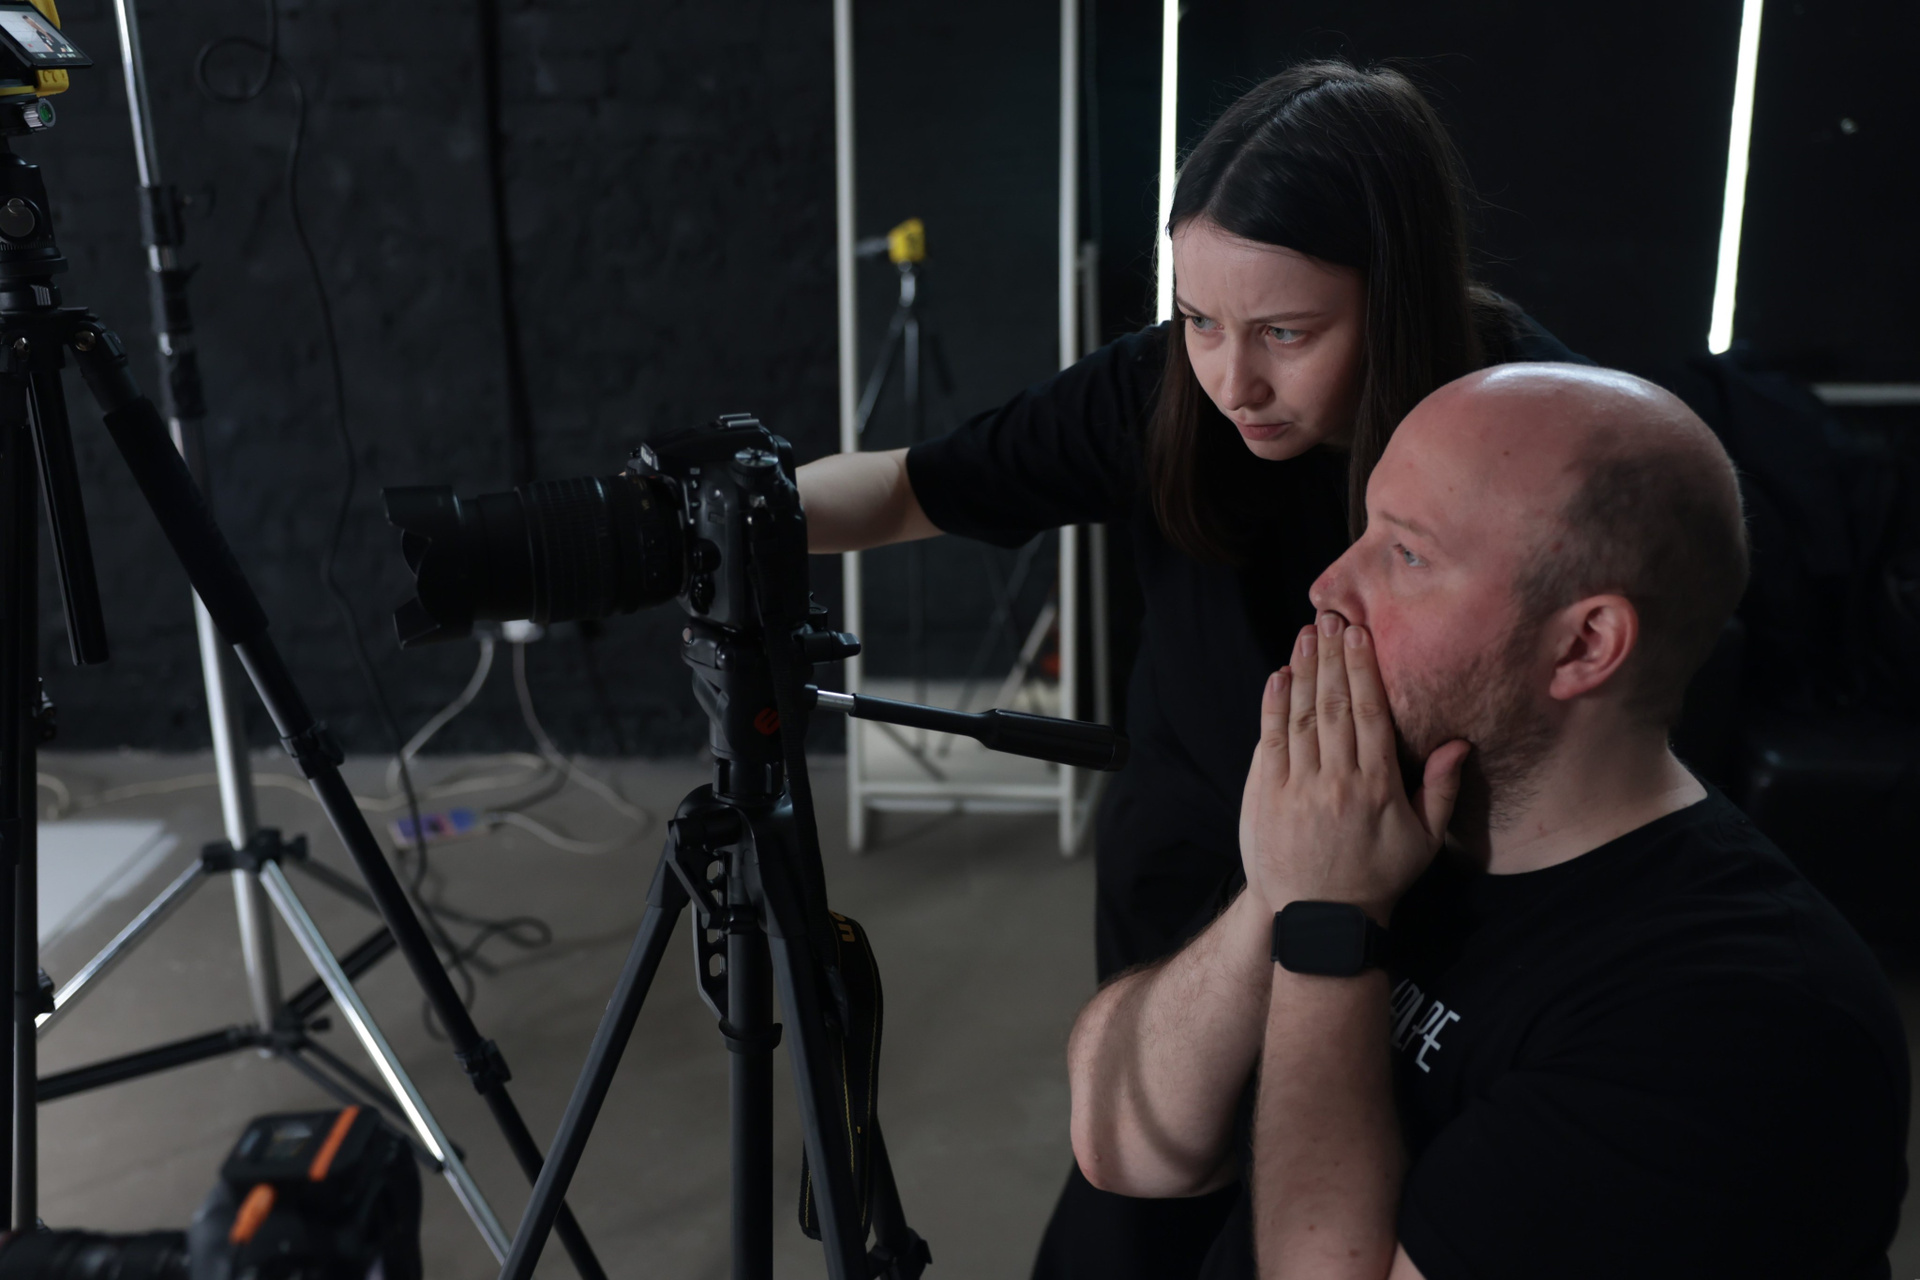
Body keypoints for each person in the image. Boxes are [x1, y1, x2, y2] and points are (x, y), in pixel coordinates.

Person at [798, 60, 1588, 1276]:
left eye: (1287, 332)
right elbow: (912, 486)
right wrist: (708, 523)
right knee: (1129, 1227)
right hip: (1187, 890)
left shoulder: (1521, 426)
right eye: (1200, 320)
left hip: (1425, 918)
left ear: (1397, 295)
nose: (1232, 380)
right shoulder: (1163, 389)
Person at [1066, 363, 1910, 1279]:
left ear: (1584, 644)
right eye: (1364, 528)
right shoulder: (1379, 818)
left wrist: (1327, 927)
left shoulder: (1740, 1029)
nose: (1328, 585)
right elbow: (1123, 1144)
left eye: (1408, 555)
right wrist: (1279, 888)